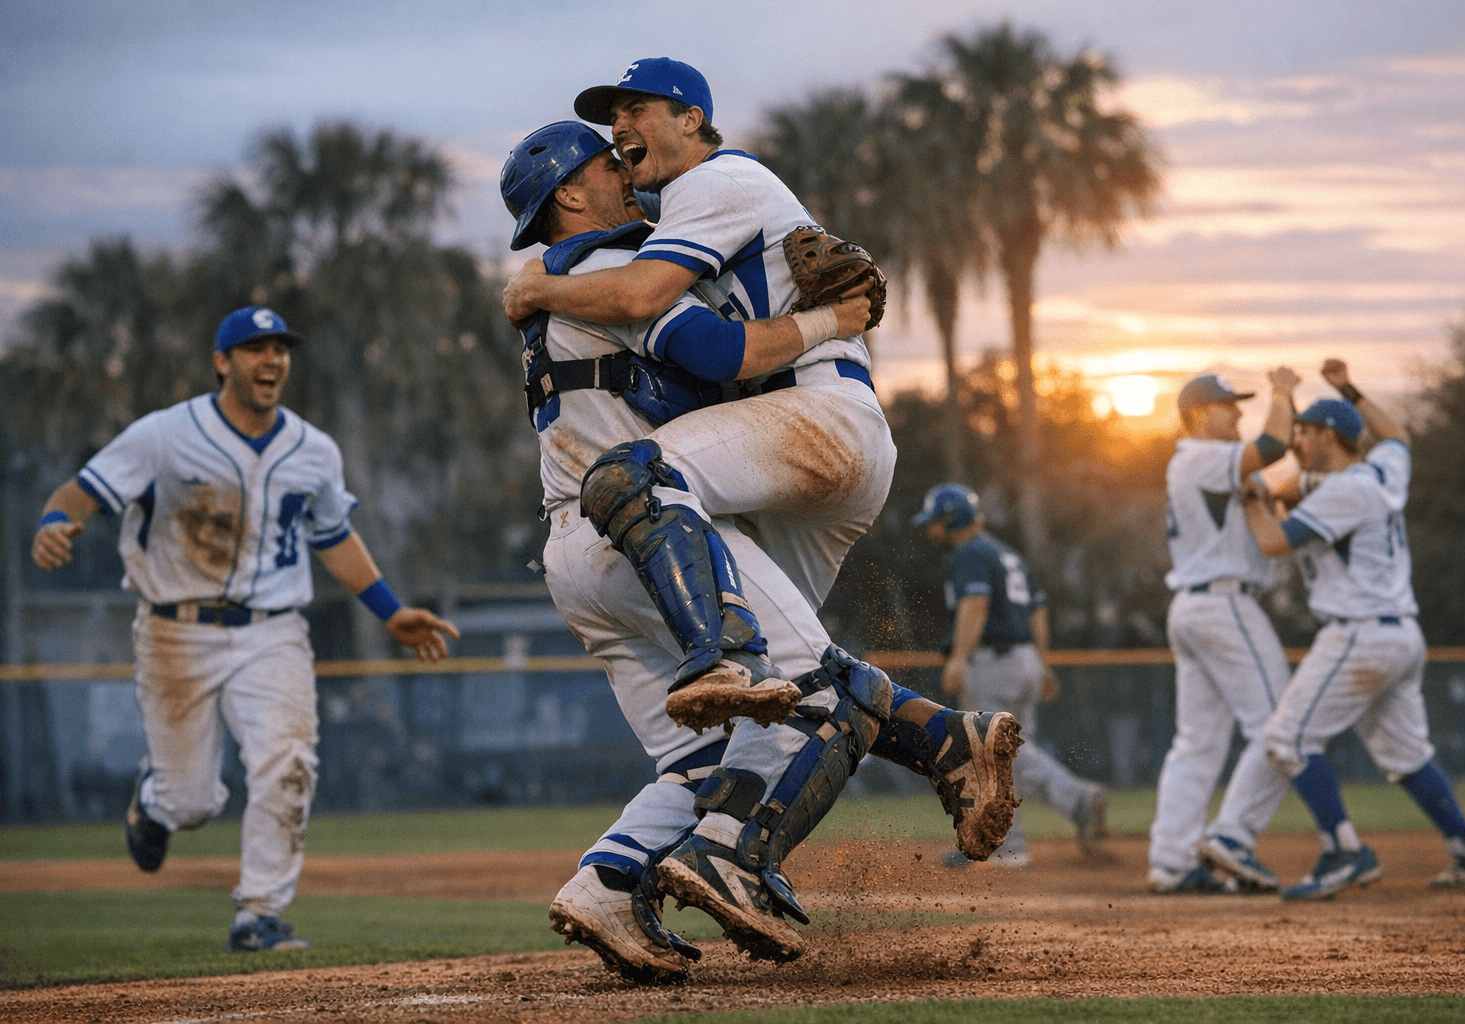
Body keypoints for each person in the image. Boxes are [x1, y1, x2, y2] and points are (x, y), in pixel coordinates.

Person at [501, 123, 1021, 982]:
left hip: (574, 550)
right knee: (827, 695)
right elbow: (718, 353)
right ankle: (736, 859)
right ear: (568, 193)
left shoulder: (553, 286)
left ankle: (605, 883)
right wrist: (826, 321)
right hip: (643, 527)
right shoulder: (601, 272)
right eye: (606, 163)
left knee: (703, 758)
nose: (627, 171)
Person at [30, 306, 460, 952]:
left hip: (272, 630)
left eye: (279, 349)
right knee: (193, 803)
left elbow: (334, 537)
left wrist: (390, 610)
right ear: (221, 362)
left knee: (288, 764)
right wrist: (50, 525)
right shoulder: (164, 435)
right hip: (176, 630)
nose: (271, 360)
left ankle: (257, 914)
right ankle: (157, 800)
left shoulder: (313, 450)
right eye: (255, 349)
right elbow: (80, 492)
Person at [501, 58, 891, 733]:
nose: (620, 130)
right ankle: (947, 743)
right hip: (806, 435)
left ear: (693, 119)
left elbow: (649, 301)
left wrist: (535, 286)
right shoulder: (660, 221)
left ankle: (720, 659)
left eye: (636, 110)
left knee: (637, 473)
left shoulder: (713, 182)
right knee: (798, 697)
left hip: (813, 416)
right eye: (612, 121)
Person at [1239, 358, 1465, 899]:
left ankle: (1344, 852)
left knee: (1287, 739)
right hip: (1399, 636)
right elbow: (1397, 435)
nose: (1298, 441)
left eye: (1307, 432)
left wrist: (1250, 497)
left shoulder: (1346, 490)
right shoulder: (1381, 471)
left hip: (1359, 636)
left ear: (1332, 436)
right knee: (1407, 757)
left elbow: (1272, 541)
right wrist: (1349, 389)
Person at [1146, 369, 1300, 894]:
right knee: (1283, 730)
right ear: (1196, 416)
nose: (1237, 412)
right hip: (1223, 605)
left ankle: (1171, 859)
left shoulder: (1200, 465)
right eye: (1227, 405)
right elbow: (1274, 445)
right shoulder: (1200, 456)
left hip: (1196, 608)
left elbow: (1268, 488)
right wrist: (1283, 391)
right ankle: (1232, 838)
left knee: (1197, 743)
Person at [913, 483, 1107, 867]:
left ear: (953, 520)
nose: (932, 530)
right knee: (1005, 760)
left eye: (936, 522)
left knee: (995, 752)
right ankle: (1005, 845)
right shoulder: (1004, 552)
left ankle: (1076, 798)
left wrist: (959, 658)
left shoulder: (969, 551)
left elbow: (976, 602)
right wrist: (1041, 660)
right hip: (1023, 662)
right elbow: (1037, 608)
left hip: (992, 662)